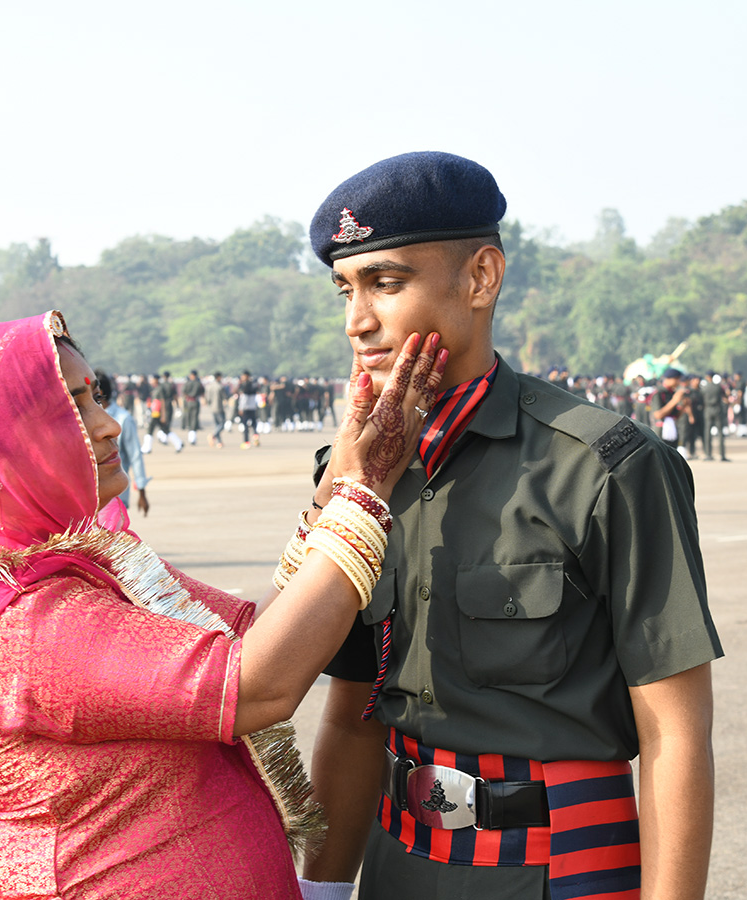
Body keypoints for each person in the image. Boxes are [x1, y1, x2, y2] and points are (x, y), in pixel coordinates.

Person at [0, 310, 446, 900]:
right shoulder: (20, 622)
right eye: (71, 409)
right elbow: (256, 685)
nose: (108, 426)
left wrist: (329, 504)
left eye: (96, 398)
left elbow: (254, 633)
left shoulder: (89, 563)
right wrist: (366, 493)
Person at [300, 152, 721, 900]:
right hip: (399, 864)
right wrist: (325, 890)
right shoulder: (355, 474)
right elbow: (353, 714)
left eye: (385, 283)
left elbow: (675, 733)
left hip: (561, 869)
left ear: (481, 277)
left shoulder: (605, 466)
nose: (357, 320)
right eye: (345, 289)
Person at [95, 369, 151, 516]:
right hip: (91, 497)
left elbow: (135, 455)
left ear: (99, 392)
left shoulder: (123, 419)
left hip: (116, 496)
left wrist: (141, 490)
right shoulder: (85, 419)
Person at [204, 371, 228, 447]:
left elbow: (207, 399)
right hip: (219, 407)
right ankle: (213, 435)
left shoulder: (209, 386)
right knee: (222, 424)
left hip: (212, 408)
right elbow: (224, 397)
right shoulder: (219, 386)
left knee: (217, 425)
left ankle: (219, 442)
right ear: (219, 377)